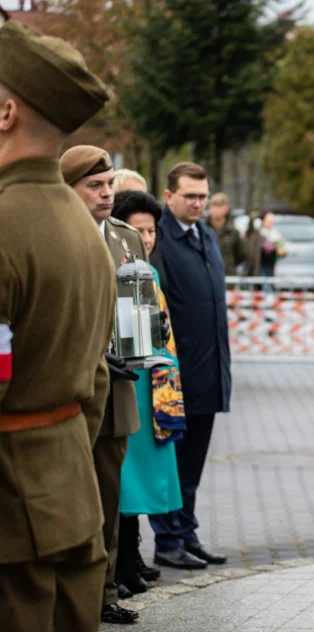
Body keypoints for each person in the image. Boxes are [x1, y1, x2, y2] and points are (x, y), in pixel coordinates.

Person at [0, 20, 114, 632]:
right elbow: (93, 382)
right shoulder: (84, 229)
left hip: (13, 523)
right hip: (73, 496)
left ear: (7, 112)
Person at [60, 145, 150, 626]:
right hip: (67, 386)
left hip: (115, 386)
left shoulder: (126, 237)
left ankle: (103, 593)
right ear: (69, 189)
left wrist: (140, 346)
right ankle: (63, 592)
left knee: (109, 496)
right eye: (95, 186)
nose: (107, 193)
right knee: (66, 496)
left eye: (110, 183)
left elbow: (141, 302)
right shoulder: (52, 233)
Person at [149, 162, 231, 569]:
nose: (199, 203)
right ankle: (167, 540)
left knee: (193, 464)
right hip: (174, 377)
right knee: (172, 462)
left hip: (210, 370)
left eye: (202, 196)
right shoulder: (159, 239)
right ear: (169, 197)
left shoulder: (207, 236)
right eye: (190, 196)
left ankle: (187, 531)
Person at [111, 190, 185, 596]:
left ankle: (132, 556)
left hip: (155, 381)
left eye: (151, 229)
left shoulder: (149, 270)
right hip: (129, 378)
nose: (147, 236)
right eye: (139, 229)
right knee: (126, 477)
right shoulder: (123, 268)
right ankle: (122, 561)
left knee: (145, 475)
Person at [206, 192, 245, 276]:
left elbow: (241, 255)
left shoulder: (233, 232)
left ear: (226, 208)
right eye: (213, 205)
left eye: (219, 206)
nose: (215, 209)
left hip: (227, 276)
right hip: (206, 275)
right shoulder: (203, 230)